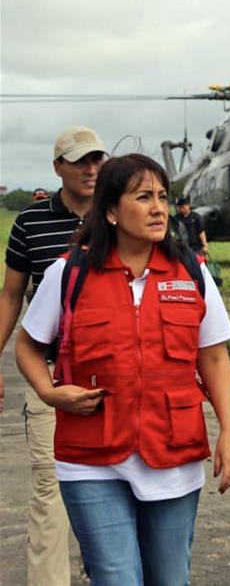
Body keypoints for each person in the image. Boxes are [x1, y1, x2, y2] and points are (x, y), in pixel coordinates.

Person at [15, 153, 230, 585]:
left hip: (172, 453)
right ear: (111, 212)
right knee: (116, 576)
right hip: (91, 457)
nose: (158, 208)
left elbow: (214, 357)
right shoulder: (69, 273)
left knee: (170, 578)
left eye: (163, 196)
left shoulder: (191, 272)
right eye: (143, 197)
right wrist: (48, 391)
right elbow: (27, 345)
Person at [0, 125, 105, 586]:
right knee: (50, 481)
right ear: (58, 167)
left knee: (112, 483)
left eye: (97, 160)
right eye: (80, 161)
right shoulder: (31, 222)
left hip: (111, 372)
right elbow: (11, 296)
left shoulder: (122, 213)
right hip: (49, 370)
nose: (91, 169)